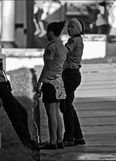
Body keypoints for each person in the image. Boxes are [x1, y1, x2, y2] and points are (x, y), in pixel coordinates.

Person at [0, 29, 39, 151]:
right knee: (15, 115)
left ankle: (28, 140)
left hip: (3, 86)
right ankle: (28, 143)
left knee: (22, 112)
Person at [36, 21, 67, 150]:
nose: (46, 34)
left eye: (47, 32)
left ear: (51, 32)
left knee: (50, 114)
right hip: (59, 83)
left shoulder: (51, 48)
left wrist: (39, 83)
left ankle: (52, 141)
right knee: (57, 113)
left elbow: (47, 67)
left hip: (49, 83)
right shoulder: (63, 47)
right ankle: (60, 140)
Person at [60, 18, 86, 146]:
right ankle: (78, 137)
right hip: (74, 74)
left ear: (78, 29)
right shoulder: (79, 40)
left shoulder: (73, 40)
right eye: (68, 27)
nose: (69, 29)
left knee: (66, 106)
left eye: (72, 27)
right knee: (68, 105)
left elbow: (63, 53)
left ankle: (69, 138)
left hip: (70, 75)